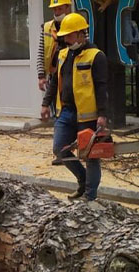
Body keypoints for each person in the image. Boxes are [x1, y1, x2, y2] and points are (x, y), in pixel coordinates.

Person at [41, 13, 109, 201]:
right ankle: (83, 180)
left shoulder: (96, 56)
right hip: (66, 111)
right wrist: (45, 103)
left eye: (69, 36)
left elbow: (102, 87)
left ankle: (89, 195)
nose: (66, 39)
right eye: (64, 36)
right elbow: (55, 82)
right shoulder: (64, 54)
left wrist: (103, 115)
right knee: (60, 149)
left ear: (81, 34)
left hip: (88, 115)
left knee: (91, 156)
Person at [37, 0, 73, 92]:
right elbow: (41, 54)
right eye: (55, 9)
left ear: (68, 8)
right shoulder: (47, 27)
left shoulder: (77, 25)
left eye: (60, 9)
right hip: (53, 76)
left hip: (72, 75)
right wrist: (41, 76)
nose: (57, 12)